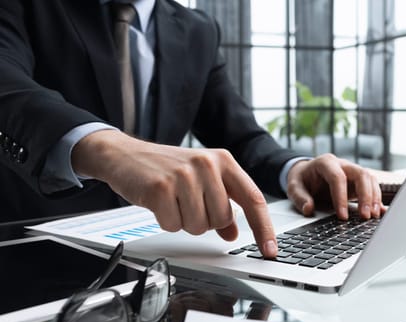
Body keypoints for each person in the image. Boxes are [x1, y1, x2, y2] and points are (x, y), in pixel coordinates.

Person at [0, 0, 385, 258]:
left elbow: (241, 138)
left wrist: (296, 169)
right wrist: (110, 150)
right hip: (30, 252)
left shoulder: (198, 30)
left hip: (155, 256)